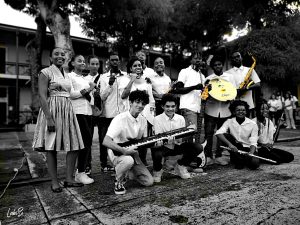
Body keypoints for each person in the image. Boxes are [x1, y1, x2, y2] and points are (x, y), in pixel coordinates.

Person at [32, 47, 84, 192]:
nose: (60, 56)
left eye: (63, 54)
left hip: (67, 109)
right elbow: (42, 96)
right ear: (50, 57)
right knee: (51, 146)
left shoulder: (67, 74)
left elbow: (71, 93)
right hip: (52, 109)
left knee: (74, 145)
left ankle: (69, 179)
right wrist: (49, 118)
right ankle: (54, 182)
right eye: (56, 54)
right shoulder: (45, 72)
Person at [102, 90, 154, 195]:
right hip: (117, 151)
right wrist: (124, 151)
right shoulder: (120, 119)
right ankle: (118, 181)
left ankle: (128, 172)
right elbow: (106, 141)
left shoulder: (143, 120)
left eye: (143, 103)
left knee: (149, 182)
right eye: (137, 102)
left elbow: (140, 142)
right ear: (130, 102)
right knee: (128, 161)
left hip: (133, 152)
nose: (140, 105)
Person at [151, 94, 205, 183]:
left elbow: (182, 137)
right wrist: (173, 138)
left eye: (173, 106)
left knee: (198, 147)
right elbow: (159, 138)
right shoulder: (157, 119)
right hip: (164, 146)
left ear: (176, 107)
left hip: (177, 145)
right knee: (156, 151)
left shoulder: (180, 118)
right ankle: (157, 170)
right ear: (162, 106)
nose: (170, 109)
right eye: (167, 106)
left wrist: (190, 131)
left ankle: (181, 166)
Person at [122, 56, 156, 165]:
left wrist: (151, 116)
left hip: (145, 115)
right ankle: (130, 163)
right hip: (131, 115)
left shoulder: (146, 81)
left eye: (140, 65)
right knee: (132, 139)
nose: (138, 67)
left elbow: (151, 100)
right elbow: (123, 96)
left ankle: (142, 162)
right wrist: (132, 80)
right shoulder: (125, 79)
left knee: (143, 140)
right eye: (135, 65)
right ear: (130, 68)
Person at [98, 52, 129, 172]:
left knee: (121, 140)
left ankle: (120, 162)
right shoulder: (103, 77)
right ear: (108, 62)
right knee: (105, 140)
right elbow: (102, 97)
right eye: (112, 60)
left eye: (116, 60)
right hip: (107, 114)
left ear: (119, 61)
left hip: (121, 114)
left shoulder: (126, 76)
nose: (115, 62)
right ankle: (104, 164)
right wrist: (110, 84)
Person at [203, 56, 235, 166]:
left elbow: (233, 92)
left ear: (222, 65)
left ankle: (219, 155)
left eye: (219, 64)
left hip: (225, 110)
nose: (217, 66)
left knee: (221, 133)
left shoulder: (230, 77)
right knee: (209, 133)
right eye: (215, 65)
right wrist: (208, 92)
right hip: (211, 109)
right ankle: (207, 156)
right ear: (212, 67)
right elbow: (204, 95)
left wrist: (229, 98)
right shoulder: (208, 78)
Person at [69, 55, 95, 185]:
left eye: (84, 61)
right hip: (77, 112)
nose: (83, 63)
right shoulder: (69, 76)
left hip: (88, 112)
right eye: (79, 60)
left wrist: (91, 94)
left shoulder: (85, 79)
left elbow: (89, 97)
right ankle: (79, 172)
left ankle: (81, 171)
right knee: (82, 142)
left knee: (88, 141)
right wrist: (88, 89)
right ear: (72, 63)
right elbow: (71, 94)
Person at [171, 51, 205, 142]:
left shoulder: (202, 76)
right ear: (191, 60)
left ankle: (193, 154)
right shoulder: (184, 71)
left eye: (200, 58)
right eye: (195, 58)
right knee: (190, 133)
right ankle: (187, 155)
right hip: (188, 107)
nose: (198, 60)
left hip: (198, 108)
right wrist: (195, 87)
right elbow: (178, 89)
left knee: (195, 135)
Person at [215, 100, 260, 170]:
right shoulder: (229, 121)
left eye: (243, 110)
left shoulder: (253, 124)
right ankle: (238, 159)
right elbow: (218, 133)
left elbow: (254, 142)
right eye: (238, 110)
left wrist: (250, 153)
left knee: (254, 164)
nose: (241, 112)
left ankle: (240, 159)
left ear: (246, 111)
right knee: (225, 135)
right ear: (234, 112)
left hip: (248, 148)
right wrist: (230, 145)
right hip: (235, 148)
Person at [226, 51, 261, 117]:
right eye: (234, 58)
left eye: (238, 56)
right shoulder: (227, 73)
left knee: (247, 124)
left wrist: (247, 88)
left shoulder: (249, 70)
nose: (236, 59)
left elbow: (258, 84)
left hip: (248, 103)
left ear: (241, 58)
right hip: (234, 103)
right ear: (231, 60)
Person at [84, 55, 101, 175]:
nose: (95, 66)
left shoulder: (103, 78)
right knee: (88, 138)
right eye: (92, 63)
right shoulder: (84, 78)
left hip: (101, 110)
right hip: (89, 110)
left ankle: (105, 163)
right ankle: (87, 164)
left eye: (97, 64)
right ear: (88, 65)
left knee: (103, 137)